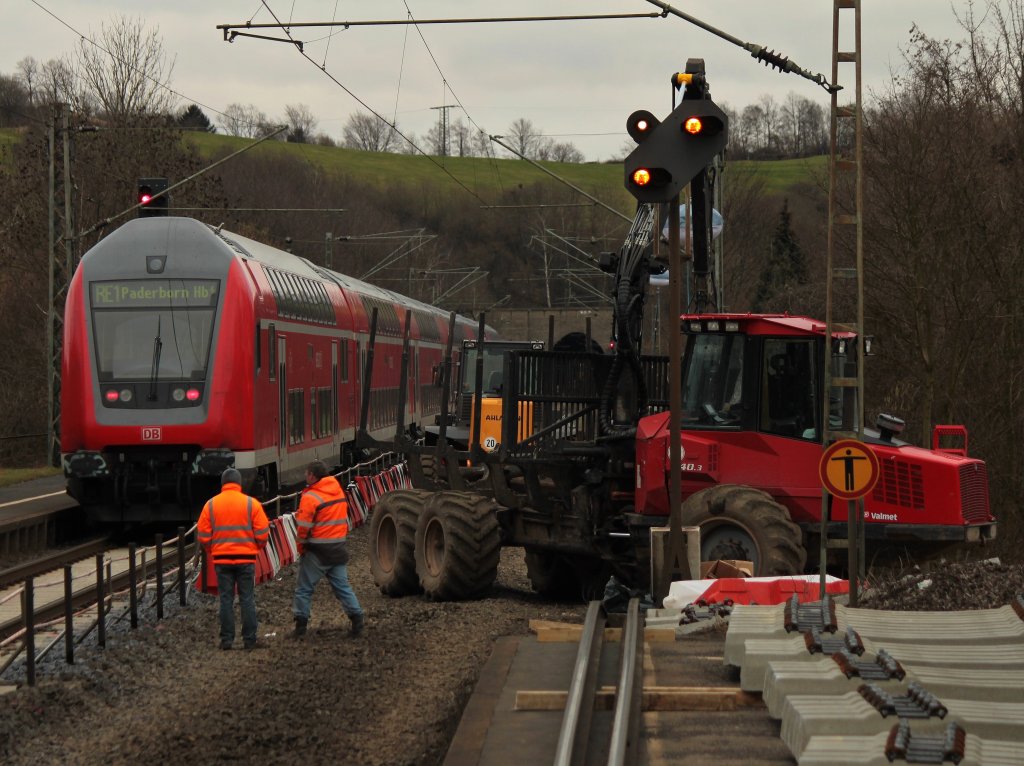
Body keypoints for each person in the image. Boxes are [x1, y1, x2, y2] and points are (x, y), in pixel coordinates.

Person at [197, 468, 270, 651]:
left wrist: (212, 550)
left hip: (222, 560)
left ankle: (227, 640)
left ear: (223, 484)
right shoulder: (251, 504)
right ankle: (249, 640)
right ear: (239, 484)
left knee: (226, 599)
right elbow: (262, 533)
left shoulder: (211, 505)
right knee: (247, 598)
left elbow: (203, 536)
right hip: (246, 559)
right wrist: (254, 548)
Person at [292, 460, 364, 638]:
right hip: (338, 549)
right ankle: (357, 621)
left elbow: (303, 527)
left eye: (306, 473)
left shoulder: (310, 497)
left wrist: (301, 547)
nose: (305, 477)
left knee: (304, 588)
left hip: (317, 551)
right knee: (342, 587)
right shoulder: (337, 491)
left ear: (312, 476)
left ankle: (300, 628)